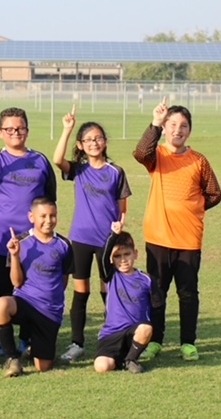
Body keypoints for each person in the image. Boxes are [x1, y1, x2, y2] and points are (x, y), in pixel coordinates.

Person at [133, 97, 221, 361]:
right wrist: (154, 123)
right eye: (172, 124)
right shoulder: (157, 156)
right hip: (157, 236)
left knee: (187, 293)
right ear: (165, 127)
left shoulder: (199, 161)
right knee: (157, 291)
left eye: (183, 125)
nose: (177, 130)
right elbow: (140, 153)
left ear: (189, 130)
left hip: (188, 239)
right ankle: (155, 341)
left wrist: (193, 208)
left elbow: (214, 194)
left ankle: (187, 342)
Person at [0, 107, 56, 353]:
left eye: (20, 128)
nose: (15, 132)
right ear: (0, 132)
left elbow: (49, 199)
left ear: (27, 130)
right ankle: (0, 338)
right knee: (0, 291)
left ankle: (26, 338)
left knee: (30, 290)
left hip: (32, 241)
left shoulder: (39, 160)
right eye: (9, 129)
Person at [52, 105, 131, 362]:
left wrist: (120, 225)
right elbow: (57, 160)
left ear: (105, 141)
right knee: (80, 291)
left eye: (98, 138)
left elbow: (122, 207)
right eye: (88, 140)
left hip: (107, 241)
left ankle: (112, 339)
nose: (94, 142)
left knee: (109, 290)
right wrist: (66, 130)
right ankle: (77, 343)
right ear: (81, 144)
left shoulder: (115, 171)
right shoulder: (79, 169)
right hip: (81, 239)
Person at [0, 197, 74, 377]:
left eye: (52, 216)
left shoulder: (64, 245)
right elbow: (16, 283)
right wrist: (14, 256)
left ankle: (33, 348)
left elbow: (63, 282)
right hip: (25, 301)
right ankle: (13, 359)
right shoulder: (20, 242)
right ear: (31, 217)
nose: (48, 220)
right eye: (43, 216)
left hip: (49, 311)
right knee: (0, 305)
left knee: (43, 367)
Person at [94, 222, 160, 374]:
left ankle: (131, 359)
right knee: (102, 367)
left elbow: (157, 308)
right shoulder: (111, 276)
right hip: (111, 334)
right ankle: (121, 359)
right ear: (112, 259)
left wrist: (155, 338)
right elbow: (102, 256)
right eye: (117, 256)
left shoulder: (147, 279)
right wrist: (113, 235)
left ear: (135, 254)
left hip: (134, 333)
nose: (123, 260)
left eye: (127, 254)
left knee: (145, 328)